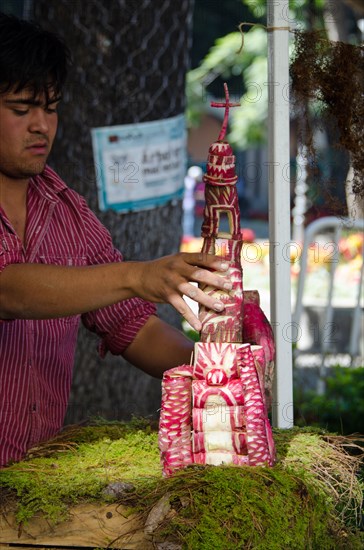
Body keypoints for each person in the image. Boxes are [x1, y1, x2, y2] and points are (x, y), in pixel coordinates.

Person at [0, 13, 232, 467]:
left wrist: (219, 373)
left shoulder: (67, 211)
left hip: (28, 480)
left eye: (50, 108)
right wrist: (137, 276)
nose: (41, 126)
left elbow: (132, 327)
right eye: (21, 109)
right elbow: (9, 290)